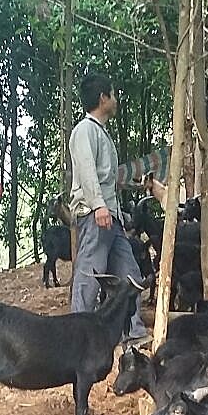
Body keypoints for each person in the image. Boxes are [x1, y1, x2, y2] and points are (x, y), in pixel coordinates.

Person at [67, 72, 148, 339]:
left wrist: (139, 185)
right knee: (90, 277)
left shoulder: (101, 133)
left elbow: (107, 177)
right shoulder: (85, 130)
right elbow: (89, 173)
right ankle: (77, 336)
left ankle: (131, 332)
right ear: (103, 98)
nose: (115, 99)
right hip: (95, 215)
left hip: (111, 218)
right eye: (112, 94)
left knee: (129, 275)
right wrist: (99, 206)